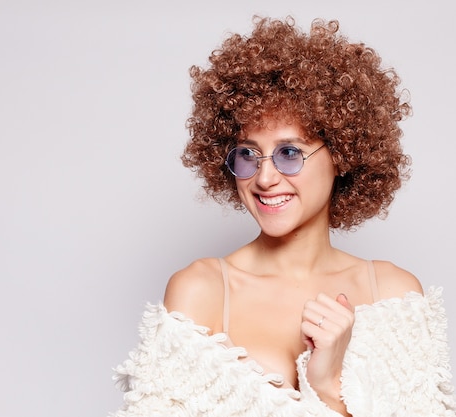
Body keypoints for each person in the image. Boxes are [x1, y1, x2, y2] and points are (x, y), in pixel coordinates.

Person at [110, 16, 456, 417]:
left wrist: (328, 384)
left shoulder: (394, 296)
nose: (265, 177)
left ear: (343, 155)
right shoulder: (201, 292)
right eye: (247, 154)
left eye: (289, 153)